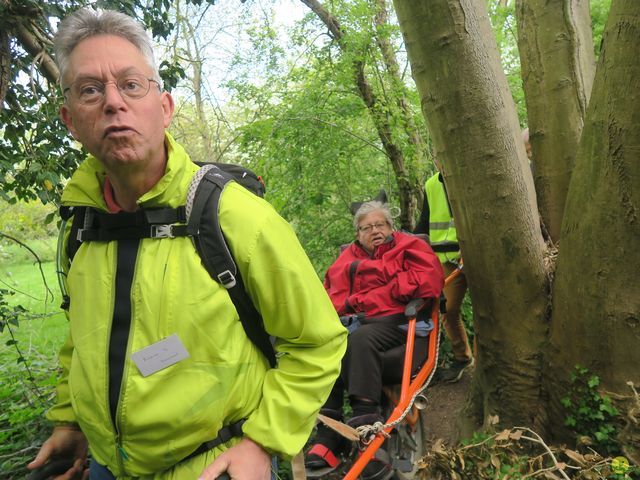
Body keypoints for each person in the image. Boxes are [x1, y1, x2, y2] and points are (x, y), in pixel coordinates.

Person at [27, 8, 347, 480]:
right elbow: (86, 341)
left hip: (214, 466)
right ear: (70, 118)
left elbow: (318, 343)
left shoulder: (232, 216)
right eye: (91, 89)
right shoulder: (82, 227)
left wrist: (263, 442)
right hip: (103, 467)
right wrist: (71, 419)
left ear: (165, 108)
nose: (113, 102)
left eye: (132, 85)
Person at [305, 201, 443, 479]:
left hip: (400, 322)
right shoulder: (345, 260)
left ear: (391, 228)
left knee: (360, 340)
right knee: (324, 343)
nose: (375, 230)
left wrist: (370, 298)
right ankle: (330, 433)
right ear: (357, 234)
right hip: (357, 322)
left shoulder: (409, 247)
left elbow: (428, 281)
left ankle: (367, 428)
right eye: (367, 227)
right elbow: (328, 298)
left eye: (380, 224)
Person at [415, 171, 474, 384]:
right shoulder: (432, 185)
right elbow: (425, 223)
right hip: (448, 259)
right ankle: (463, 358)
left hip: (479, 254)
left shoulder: (474, 173)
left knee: (489, 309)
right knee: (447, 309)